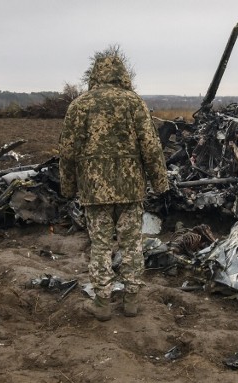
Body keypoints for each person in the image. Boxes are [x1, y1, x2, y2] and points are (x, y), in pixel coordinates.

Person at [59, 55, 169, 321]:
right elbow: (151, 147)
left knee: (100, 245)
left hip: (95, 190)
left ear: (95, 74)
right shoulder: (135, 103)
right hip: (130, 188)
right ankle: (131, 299)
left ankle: (103, 302)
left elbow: (68, 151)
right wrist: (160, 182)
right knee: (131, 243)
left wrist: (68, 187)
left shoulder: (80, 105)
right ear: (121, 73)